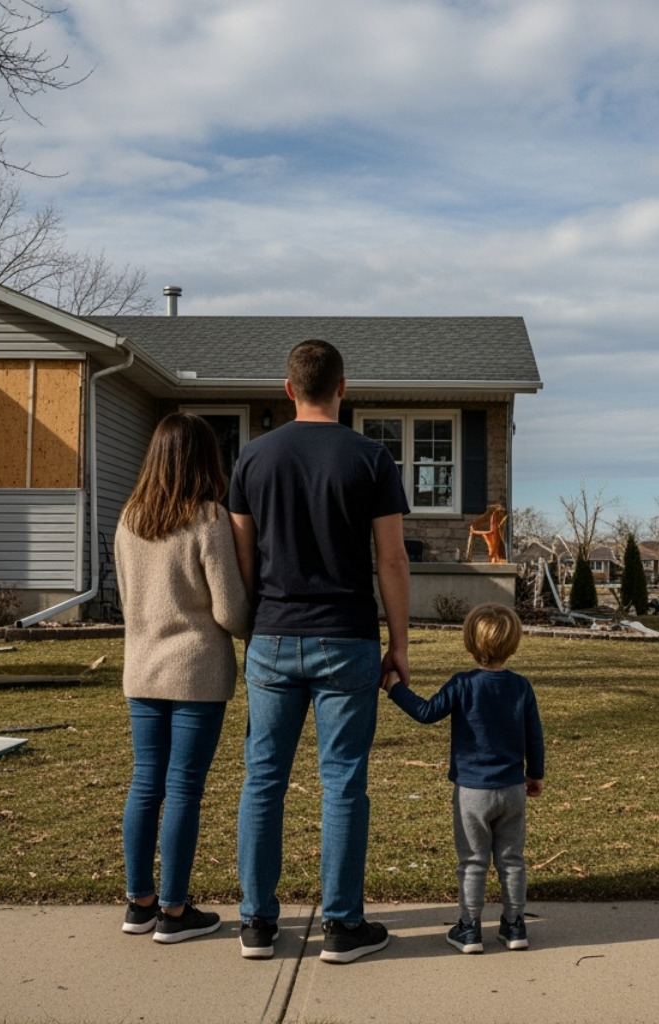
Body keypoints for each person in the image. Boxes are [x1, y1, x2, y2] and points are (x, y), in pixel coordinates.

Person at [228, 338, 412, 964]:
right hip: (348, 637)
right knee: (343, 785)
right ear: (343, 387)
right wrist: (400, 644)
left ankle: (255, 924)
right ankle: (341, 926)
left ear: (288, 390)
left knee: (263, 781)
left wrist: (258, 626)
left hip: (273, 636)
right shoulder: (371, 458)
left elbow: (244, 561)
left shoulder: (251, 458)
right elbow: (391, 559)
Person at [115, 413, 250, 943]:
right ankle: (174, 910)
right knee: (184, 788)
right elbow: (231, 610)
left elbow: (129, 598)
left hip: (141, 665)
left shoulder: (130, 517)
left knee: (146, 782)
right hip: (197, 670)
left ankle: (139, 902)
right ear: (204, 459)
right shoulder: (208, 518)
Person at [382, 603, 545, 954]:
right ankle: (515, 926)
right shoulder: (521, 687)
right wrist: (536, 775)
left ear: (470, 643)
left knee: (473, 860)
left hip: (472, 791)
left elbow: (426, 713)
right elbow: (535, 736)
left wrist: (394, 688)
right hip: (513, 789)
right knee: (512, 859)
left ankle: (469, 928)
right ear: (514, 643)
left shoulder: (463, 684)